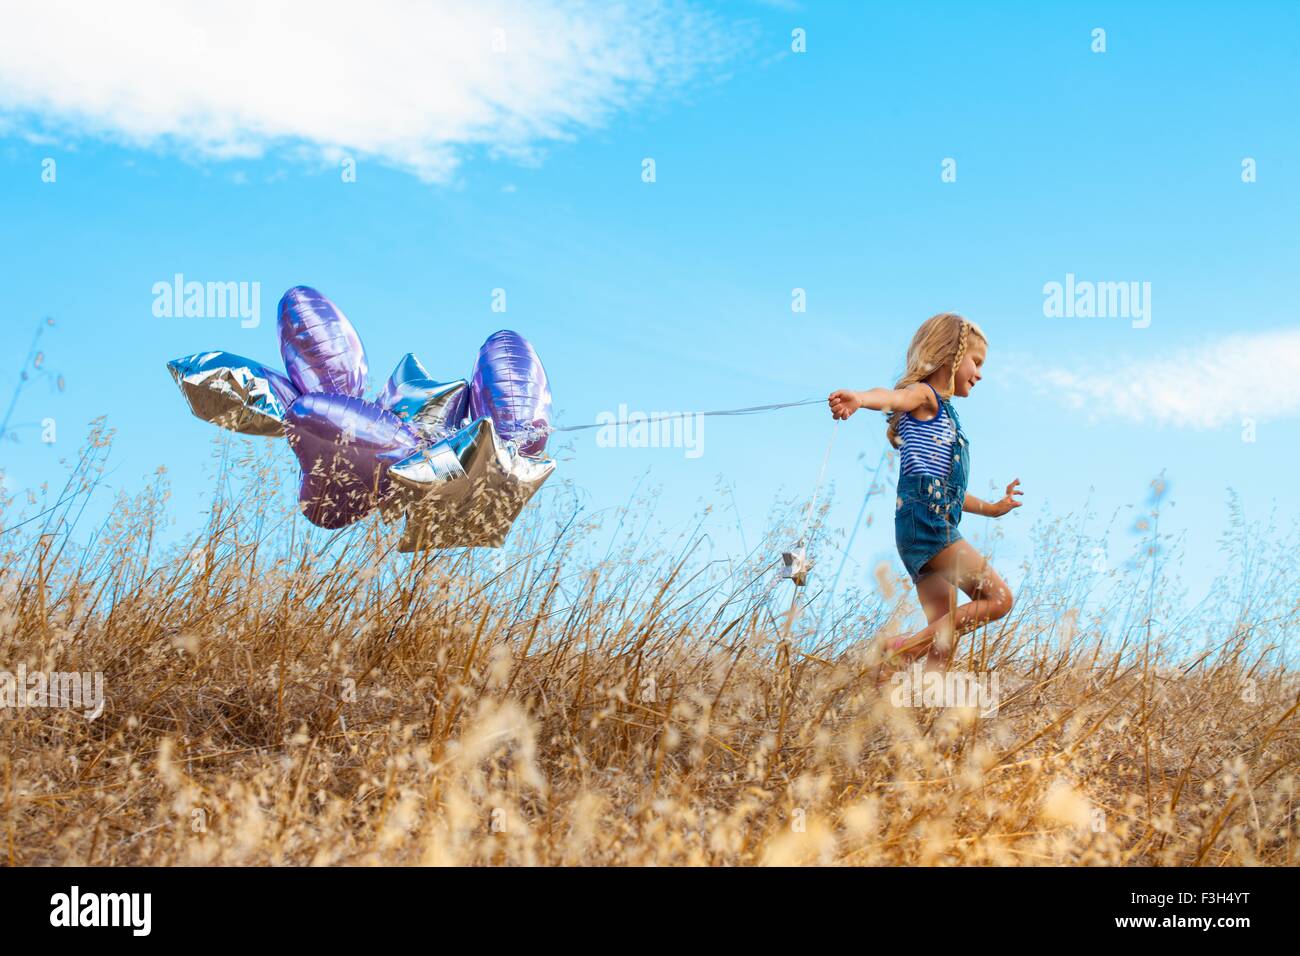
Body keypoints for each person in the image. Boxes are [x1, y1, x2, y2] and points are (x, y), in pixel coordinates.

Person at [828, 312, 1021, 676]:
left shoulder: (947, 417)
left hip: (919, 530)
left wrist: (994, 509)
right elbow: (891, 397)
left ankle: (913, 708)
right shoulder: (926, 398)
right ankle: (897, 651)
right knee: (998, 599)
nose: (980, 374)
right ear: (951, 354)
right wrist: (859, 398)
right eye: (976, 362)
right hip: (931, 526)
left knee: (943, 638)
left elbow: (950, 491)